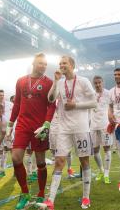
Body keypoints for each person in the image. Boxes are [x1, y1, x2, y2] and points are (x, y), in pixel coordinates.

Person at [40, 56, 97, 209]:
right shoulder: (59, 82)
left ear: (72, 65)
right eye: (60, 63)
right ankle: (50, 200)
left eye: (64, 63)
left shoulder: (83, 81)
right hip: (63, 129)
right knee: (59, 161)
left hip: (81, 127)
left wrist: (76, 105)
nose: (61, 65)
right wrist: (54, 81)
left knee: (84, 161)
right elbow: (51, 99)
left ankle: (86, 197)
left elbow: (94, 102)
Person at [7, 53, 56, 209]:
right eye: (40, 63)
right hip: (22, 125)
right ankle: (25, 193)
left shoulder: (49, 83)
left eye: (45, 64)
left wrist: (47, 124)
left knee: (41, 162)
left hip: (39, 127)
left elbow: (52, 105)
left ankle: (41, 193)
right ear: (34, 63)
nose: (43, 66)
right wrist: (10, 123)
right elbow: (17, 104)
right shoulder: (21, 81)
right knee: (16, 158)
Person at [90, 75, 112, 184]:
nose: (98, 85)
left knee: (107, 149)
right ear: (93, 84)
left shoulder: (109, 93)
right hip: (93, 126)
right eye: (96, 83)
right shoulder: (91, 95)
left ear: (103, 82)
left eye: (99, 82)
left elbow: (113, 108)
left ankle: (107, 174)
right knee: (95, 150)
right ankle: (101, 170)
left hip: (105, 125)